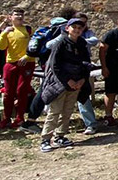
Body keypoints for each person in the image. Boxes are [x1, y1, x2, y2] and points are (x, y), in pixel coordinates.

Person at [38, 16, 92, 153]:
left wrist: (82, 80)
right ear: (67, 28)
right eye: (74, 27)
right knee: (55, 111)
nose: (77, 30)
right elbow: (55, 65)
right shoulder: (61, 43)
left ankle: (60, 136)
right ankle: (46, 139)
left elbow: (86, 63)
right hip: (60, 83)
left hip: (76, 82)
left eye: (80, 28)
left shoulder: (81, 43)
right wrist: (68, 80)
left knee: (67, 111)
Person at [0, 8, 35, 128]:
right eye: (16, 14)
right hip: (11, 64)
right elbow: (1, 47)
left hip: (27, 63)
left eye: (21, 15)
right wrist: (4, 33)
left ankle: (19, 118)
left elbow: (35, 46)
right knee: (8, 92)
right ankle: (6, 118)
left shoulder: (28, 30)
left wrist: (27, 56)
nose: (19, 17)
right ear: (11, 17)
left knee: (22, 91)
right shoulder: (8, 31)